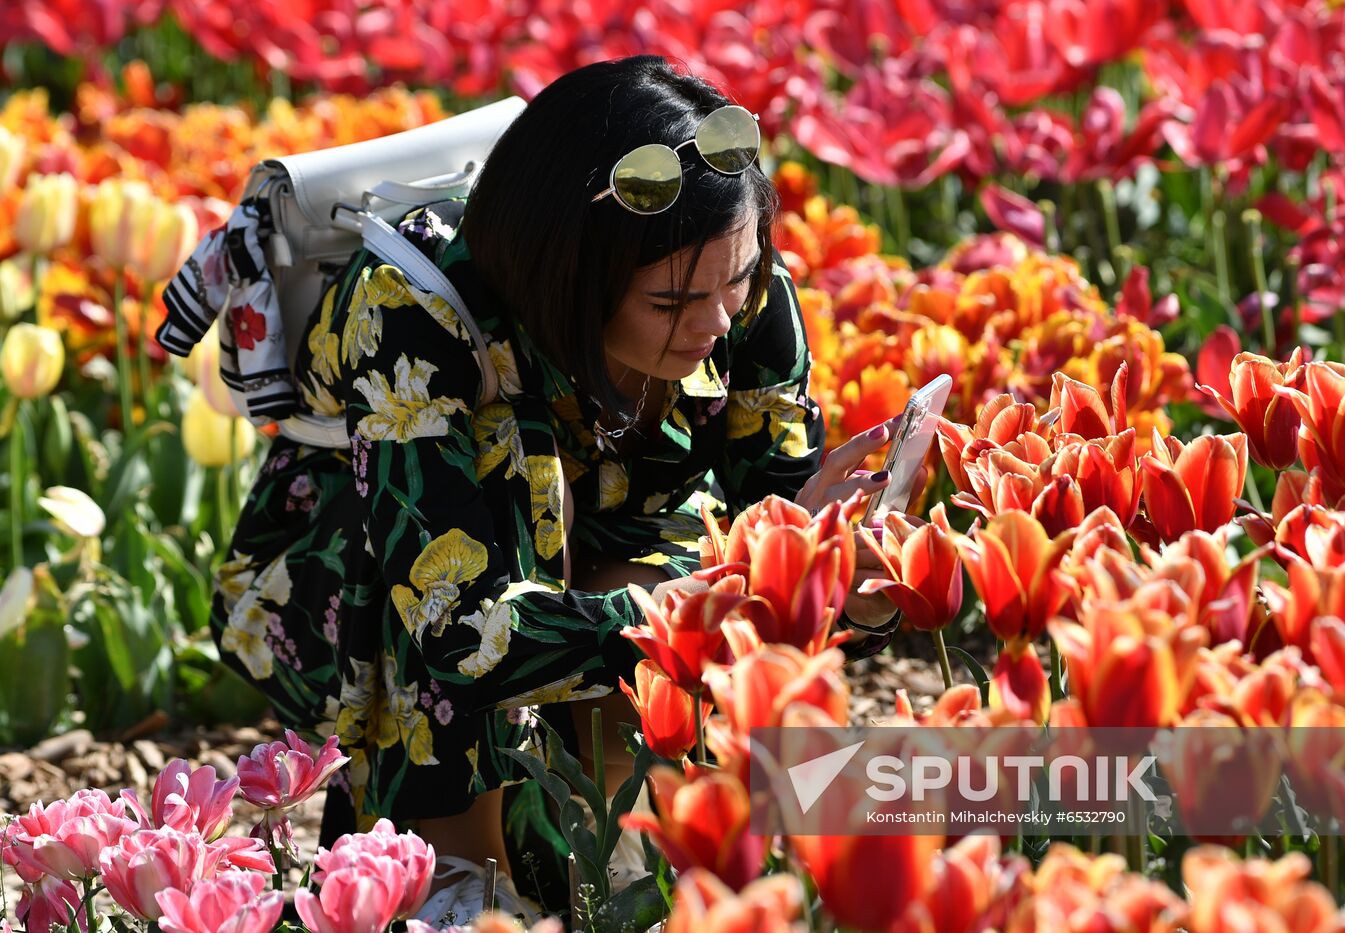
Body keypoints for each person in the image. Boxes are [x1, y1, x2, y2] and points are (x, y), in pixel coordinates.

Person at [209, 54, 913, 921]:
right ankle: (455, 872)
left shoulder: (735, 292)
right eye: (669, 302)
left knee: (674, 547)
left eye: (737, 279)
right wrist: (708, 605)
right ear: (570, 277)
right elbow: (452, 626)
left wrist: (847, 573)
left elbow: (773, 508)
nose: (717, 321)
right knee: (521, 472)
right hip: (353, 592)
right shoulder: (413, 310)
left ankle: (615, 855)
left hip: (590, 563)